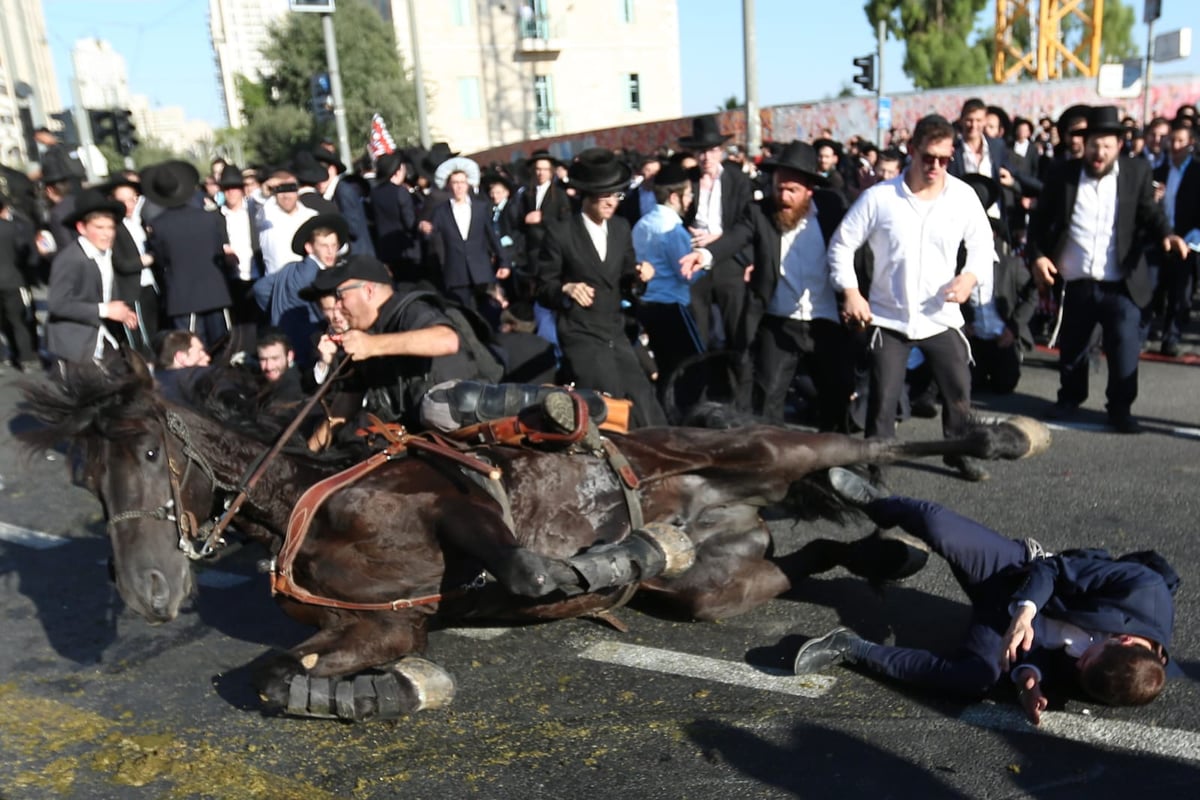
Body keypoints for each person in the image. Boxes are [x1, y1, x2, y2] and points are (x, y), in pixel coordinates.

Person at [793, 468, 1179, 726]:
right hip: (1015, 576)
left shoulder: (1110, 678)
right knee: (936, 524)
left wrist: (1030, 678)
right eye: (1088, 655)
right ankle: (879, 503)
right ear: (1124, 638)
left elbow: (1060, 667)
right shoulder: (1142, 589)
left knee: (974, 680)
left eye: (1081, 667)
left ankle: (851, 648)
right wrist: (1025, 615)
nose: (1079, 662)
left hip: (1002, 635)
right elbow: (1054, 569)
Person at [828, 114, 995, 481]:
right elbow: (841, 245)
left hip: (941, 316)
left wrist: (969, 277)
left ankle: (960, 451)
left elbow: (984, 247)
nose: (936, 166)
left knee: (958, 393)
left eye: (944, 159)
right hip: (889, 317)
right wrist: (851, 292)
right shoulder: (880, 198)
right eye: (928, 157)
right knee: (883, 401)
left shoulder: (963, 197)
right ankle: (877, 467)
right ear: (912, 151)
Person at [1027, 106, 1186, 433]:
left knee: (1125, 344)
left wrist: (1168, 235)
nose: (1099, 153)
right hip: (1076, 276)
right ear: (1084, 144)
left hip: (1120, 280)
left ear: (1118, 146)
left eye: (1107, 146)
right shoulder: (1063, 174)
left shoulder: (1135, 172)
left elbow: (1150, 213)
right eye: (1094, 145)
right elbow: (1039, 223)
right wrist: (1038, 256)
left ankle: (1120, 408)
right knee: (1073, 346)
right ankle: (1070, 397)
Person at [535, 147, 667, 428]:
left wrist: (639, 276)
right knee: (608, 402)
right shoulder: (561, 233)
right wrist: (566, 289)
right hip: (581, 333)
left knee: (644, 401)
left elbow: (627, 278)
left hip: (614, 330)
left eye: (617, 195)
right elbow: (542, 287)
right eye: (605, 195)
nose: (612, 202)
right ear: (587, 194)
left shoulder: (620, 228)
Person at [631, 158, 704, 405]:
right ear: (674, 197)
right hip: (673, 306)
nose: (690, 200)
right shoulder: (673, 228)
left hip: (648, 304)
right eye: (688, 195)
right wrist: (705, 261)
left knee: (665, 366)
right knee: (691, 367)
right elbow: (686, 272)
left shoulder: (643, 223)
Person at [679, 115, 754, 351]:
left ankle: (738, 382)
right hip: (693, 263)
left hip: (729, 261)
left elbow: (747, 223)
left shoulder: (737, 179)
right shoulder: (687, 181)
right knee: (699, 334)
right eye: (700, 152)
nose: (706, 157)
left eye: (711, 150)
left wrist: (719, 238)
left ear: (720, 151)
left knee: (736, 333)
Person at [141, 160, 233, 348]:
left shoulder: (158, 226)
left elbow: (161, 259)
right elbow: (218, 250)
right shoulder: (209, 218)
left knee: (191, 350)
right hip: (214, 292)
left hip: (183, 298)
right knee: (223, 347)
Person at [45, 189, 139, 363]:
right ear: (82, 228)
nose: (107, 234)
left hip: (101, 337)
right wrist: (106, 310)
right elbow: (58, 305)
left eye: (110, 227)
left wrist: (121, 312)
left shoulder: (105, 253)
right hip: (76, 344)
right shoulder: (70, 260)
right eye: (99, 227)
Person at [253, 214, 349, 368]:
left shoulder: (289, 268)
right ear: (309, 248)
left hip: (281, 338)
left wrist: (277, 309)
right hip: (306, 346)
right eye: (324, 246)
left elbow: (260, 289)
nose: (331, 251)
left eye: (334, 245)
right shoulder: (318, 277)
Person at [427, 168, 510, 325]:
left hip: (481, 270)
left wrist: (504, 261)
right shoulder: (441, 211)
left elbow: (492, 236)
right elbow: (432, 232)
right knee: (466, 316)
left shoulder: (480, 208)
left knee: (490, 312)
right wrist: (425, 229)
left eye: (462, 182)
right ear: (449, 186)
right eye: (455, 183)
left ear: (468, 185)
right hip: (456, 272)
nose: (458, 186)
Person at [1151, 119, 1200, 357]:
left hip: (1187, 240)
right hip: (1160, 238)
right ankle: (1148, 329)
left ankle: (1172, 336)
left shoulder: (1197, 172)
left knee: (1180, 292)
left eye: (1181, 140)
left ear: (1191, 143)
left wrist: (1192, 237)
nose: (1175, 145)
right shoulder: (1159, 171)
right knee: (1155, 287)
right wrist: (1154, 198)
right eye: (1173, 140)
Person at [311, 148, 375, 257]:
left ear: (332, 170)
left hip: (359, 258)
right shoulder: (333, 193)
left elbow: (354, 228)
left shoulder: (343, 191)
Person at [0, 194, 39, 369]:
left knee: (4, 321)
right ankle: (26, 357)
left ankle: (6, 356)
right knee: (18, 319)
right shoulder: (13, 228)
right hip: (14, 280)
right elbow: (25, 254)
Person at [370, 152, 420, 277]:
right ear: (397, 171)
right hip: (405, 250)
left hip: (385, 249)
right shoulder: (401, 192)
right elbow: (409, 222)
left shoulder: (374, 193)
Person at [258, 172, 318, 275]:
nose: (286, 196)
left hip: (305, 282)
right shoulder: (265, 217)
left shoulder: (311, 216)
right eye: (281, 189)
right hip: (275, 284)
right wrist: (264, 191)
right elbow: (253, 204)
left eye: (290, 189)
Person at [154, 330, 212, 404]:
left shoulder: (156, 392)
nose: (207, 358)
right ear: (181, 357)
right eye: (200, 352)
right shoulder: (195, 390)